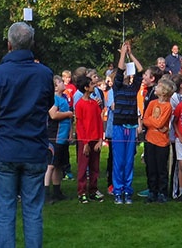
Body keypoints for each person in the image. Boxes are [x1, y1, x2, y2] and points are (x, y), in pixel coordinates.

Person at [0, 22, 54, 248]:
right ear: (32, 44)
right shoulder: (44, 74)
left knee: (5, 211)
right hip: (34, 149)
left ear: (9, 44)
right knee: (33, 212)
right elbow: (47, 104)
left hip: (5, 149)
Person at [111, 41, 143, 204]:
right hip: (118, 126)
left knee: (129, 161)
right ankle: (118, 191)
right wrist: (123, 53)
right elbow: (119, 71)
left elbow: (141, 70)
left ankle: (127, 191)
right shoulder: (117, 89)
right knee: (119, 161)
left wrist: (131, 54)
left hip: (131, 127)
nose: (124, 74)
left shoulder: (133, 88)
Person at [143, 78, 174, 203]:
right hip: (150, 139)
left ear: (164, 91)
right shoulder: (152, 103)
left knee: (161, 168)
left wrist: (153, 122)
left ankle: (162, 192)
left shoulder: (167, 106)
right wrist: (154, 123)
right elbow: (145, 119)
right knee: (151, 167)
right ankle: (152, 191)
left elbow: (160, 123)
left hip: (162, 142)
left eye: (159, 86)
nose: (156, 88)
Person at [73, 74, 104, 204]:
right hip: (85, 140)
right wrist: (85, 142)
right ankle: (82, 192)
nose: (94, 86)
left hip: (95, 139)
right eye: (91, 84)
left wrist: (100, 139)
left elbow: (99, 122)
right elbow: (79, 125)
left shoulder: (94, 103)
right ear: (86, 88)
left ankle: (93, 190)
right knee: (83, 166)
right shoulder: (80, 104)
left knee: (95, 167)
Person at [45, 76, 71, 204]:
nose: (63, 83)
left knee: (59, 165)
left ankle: (57, 191)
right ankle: (45, 193)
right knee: (50, 165)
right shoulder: (54, 99)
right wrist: (68, 114)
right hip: (54, 137)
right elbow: (53, 114)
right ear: (55, 87)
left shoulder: (64, 98)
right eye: (60, 82)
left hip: (63, 138)